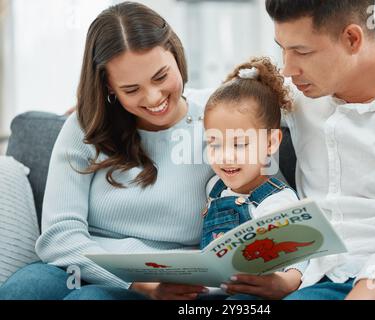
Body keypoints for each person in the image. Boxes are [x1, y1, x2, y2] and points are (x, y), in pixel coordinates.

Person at [228, 0, 375, 300]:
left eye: (302, 51)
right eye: (283, 47)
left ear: (352, 39)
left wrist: (369, 289)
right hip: (318, 277)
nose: (288, 68)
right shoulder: (298, 94)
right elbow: (210, 110)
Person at [0, 2, 215, 300]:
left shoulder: (218, 123)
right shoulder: (85, 127)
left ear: (177, 56)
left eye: (161, 76)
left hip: (172, 275)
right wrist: (136, 282)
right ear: (109, 87)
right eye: (131, 89)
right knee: (23, 291)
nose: (153, 98)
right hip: (81, 263)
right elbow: (59, 237)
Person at [200, 57, 306, 299]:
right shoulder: (213, 187)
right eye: (214, 144)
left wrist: (288, 280)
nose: (226, 157)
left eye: (239, 145)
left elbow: (301, 259)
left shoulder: (278, 202)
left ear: (271, 143)